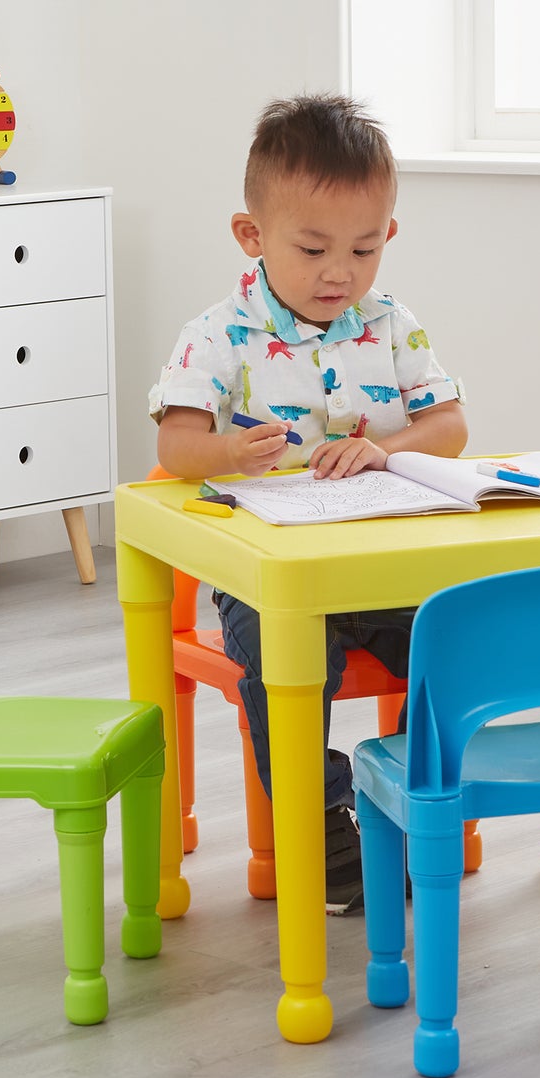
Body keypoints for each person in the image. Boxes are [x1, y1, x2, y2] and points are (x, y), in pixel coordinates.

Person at [149, 94, 468, 913]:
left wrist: (386, 446)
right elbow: (173, 451)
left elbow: (452, 426)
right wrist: (225, 451)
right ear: (251, 237)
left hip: (381, 559)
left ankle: (414, 793)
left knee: (452, 640)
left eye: (364, 248)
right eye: (315, 248)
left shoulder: (391, 325)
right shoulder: (216, 335)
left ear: (387, 235)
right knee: (290, 663)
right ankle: (323, 817)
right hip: (270, 573)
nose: (340, 272)